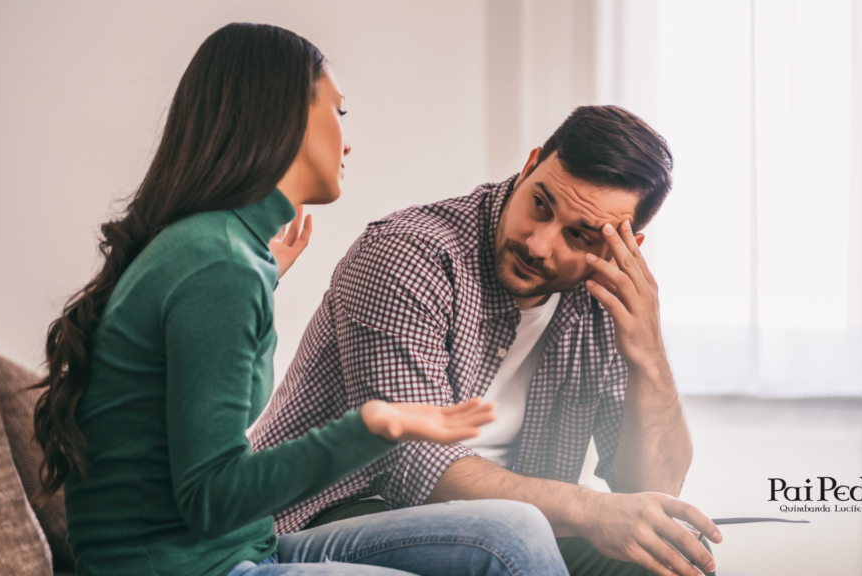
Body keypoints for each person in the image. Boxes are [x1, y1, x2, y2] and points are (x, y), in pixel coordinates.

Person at [30, 22, 569, 576]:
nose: (348, 138)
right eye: (339, 112)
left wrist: (259, 283)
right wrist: (370, 426)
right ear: (284, 115)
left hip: (243, 548)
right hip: (188, 569)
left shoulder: (220, 253)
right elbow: (212, 498)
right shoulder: (217, 265)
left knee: (516, 530)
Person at [250, 105, 724, 576]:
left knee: (672, 551)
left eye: (578, 235)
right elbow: (414, 467)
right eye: (541, 204)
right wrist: (589, 510)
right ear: (530, 165)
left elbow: (652, 488)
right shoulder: (408, 255)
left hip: (504, 532)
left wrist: (649, 354)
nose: (539, 244)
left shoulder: (605, 301)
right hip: (322, 518)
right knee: (509, 534)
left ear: (625, 245)